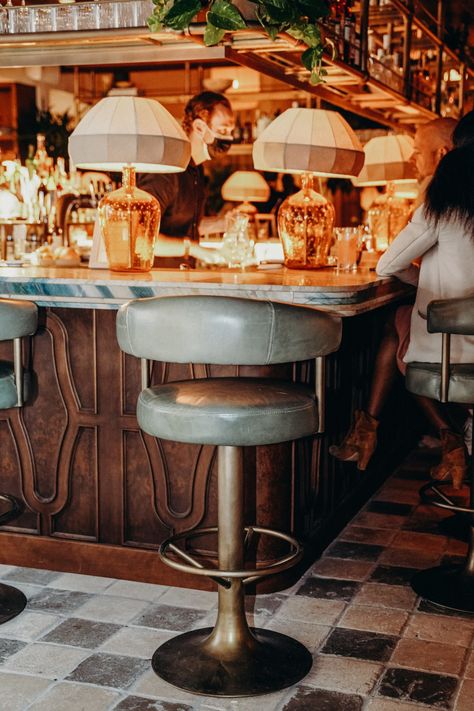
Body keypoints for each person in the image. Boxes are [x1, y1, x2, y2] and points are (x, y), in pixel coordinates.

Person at [329, 116, 459, 476]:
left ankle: (443, 437)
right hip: (464, 338)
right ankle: (449, 438)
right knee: (401, 328)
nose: (414, 159)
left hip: (453, 348)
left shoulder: (438, 202)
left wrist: (426, 279)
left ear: (445, 153)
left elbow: (388, 264)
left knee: (401, 337)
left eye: (418, 152)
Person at [137, 91, 235, 266]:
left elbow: (183, 224)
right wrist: (195, 249)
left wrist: (222, 223)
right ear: (199, 127)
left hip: (183, 276)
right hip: (156, 281)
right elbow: (140, 239)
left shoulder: (197, 171)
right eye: (222, 130)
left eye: (230, 131)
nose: (229, 138)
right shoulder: (166, 170)